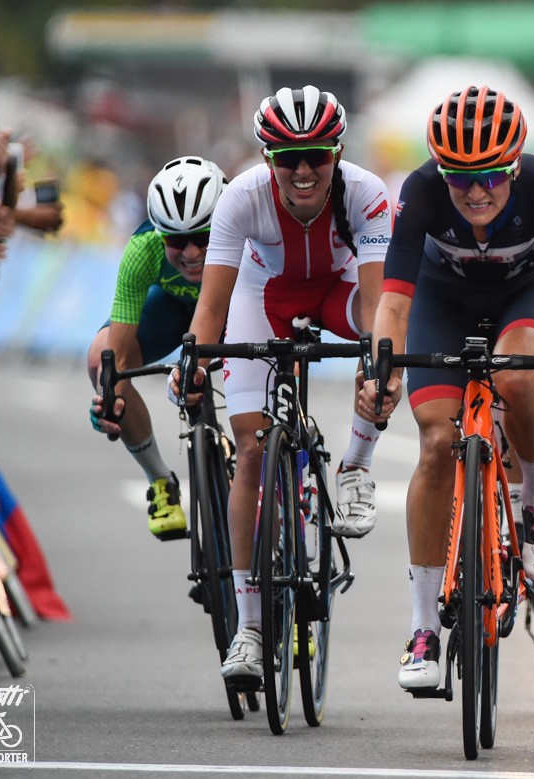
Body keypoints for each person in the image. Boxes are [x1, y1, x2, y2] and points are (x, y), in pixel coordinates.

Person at [356, 85, 534, 690]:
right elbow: (394, 304)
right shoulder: (420, 191)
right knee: (436, 442)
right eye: (460, 177)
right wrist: (382, 370)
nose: (476, 190)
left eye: (490, 174)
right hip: (443, 301)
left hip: (526, 295)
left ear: (515, 166)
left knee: (517, 375)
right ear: (440, 171)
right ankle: (423, 627)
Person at [172, 86, 391, 687]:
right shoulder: (241, 197)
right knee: (249, 449)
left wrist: (378, 367)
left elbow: (376, 304)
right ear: (267, 156)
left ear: (337, 153)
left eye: (316, 155)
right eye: (286, 156)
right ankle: (249, 629)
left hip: (341, 291)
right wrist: (193, 361)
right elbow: (212, 304)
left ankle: (353, 467)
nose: (301, 170)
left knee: (387, 349)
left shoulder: (368, 194)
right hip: (264, 299)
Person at [86, 156, 228, 539]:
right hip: (169, 311)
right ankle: (160, 481)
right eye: (176, 240)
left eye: (203, 237)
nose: (191, 252)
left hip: (233, 309)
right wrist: (111, 394)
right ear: (159, 235)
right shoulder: (142, 248)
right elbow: (117, 347)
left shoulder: (245, 236)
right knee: (101, 361)